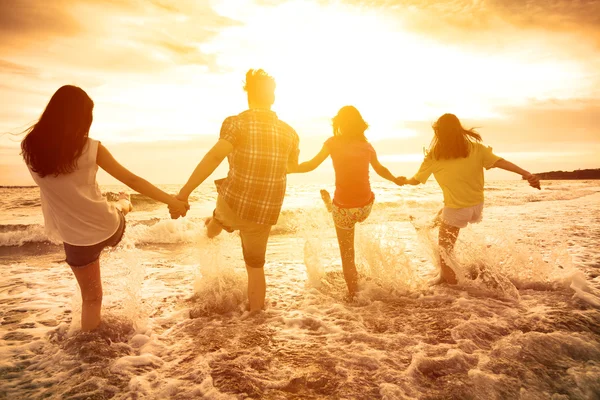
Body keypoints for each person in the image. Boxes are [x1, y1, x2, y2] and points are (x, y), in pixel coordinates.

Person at [21, 85, 189, 331]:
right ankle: (124, 202)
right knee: (120, 205)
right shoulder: (90, 147)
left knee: (91, 299)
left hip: (75, 239)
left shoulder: (31, 149)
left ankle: (89, 348)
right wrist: (172, 201)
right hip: (107, 228)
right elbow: (133, 179)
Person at [170, 69, 300, 312]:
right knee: (255, 266)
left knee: (220, 217)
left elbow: (215, 155)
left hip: (233, 203)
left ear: (248, 95)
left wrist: (184, 193)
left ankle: (213, 226)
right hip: (265, 211)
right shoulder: (290, 133)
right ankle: (256, 318)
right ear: (273, 98)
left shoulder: (236, 123)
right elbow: (290, 167)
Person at [397, 113, 540, 284]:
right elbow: (501, 162)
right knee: (444, 210)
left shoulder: (434, 156)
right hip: (476, 207)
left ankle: (451, 286)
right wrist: (526, 173)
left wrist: (402, 180)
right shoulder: (476, 149)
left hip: (456, 211)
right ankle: (427, 225)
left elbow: (415, 181)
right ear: (459, 130)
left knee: (445, 252)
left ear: (438, 133)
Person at [289, 106, 403, 298]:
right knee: (356, 204)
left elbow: (311, 165)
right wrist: (395, 179)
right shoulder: (366, 146)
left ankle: (353, 294)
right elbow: (380, 169)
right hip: (365, 206)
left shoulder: (332, 143)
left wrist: (288, 168)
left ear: (339, 124)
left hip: (343, 209)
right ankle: (331, 206)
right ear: (359, 125)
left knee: (347, 256)